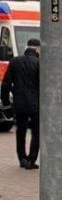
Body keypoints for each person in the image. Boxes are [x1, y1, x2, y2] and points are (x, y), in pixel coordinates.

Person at [1, 38, 41, 169]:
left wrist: (6, 102)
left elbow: (6, 83)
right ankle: (31, 159)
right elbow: (43, 86)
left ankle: (22, 158)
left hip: (19, 103)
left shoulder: (15, 61)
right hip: (35, 104)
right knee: (36, 132)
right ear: (37, 48)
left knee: (21, 131)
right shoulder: (39, 63)